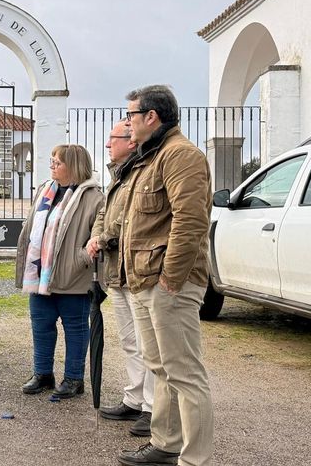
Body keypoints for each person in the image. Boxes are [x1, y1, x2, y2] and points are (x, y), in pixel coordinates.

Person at [117, 85, 213, 466]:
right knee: (161, 368)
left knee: (186, 373)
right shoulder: (151, 158)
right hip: (145, 281)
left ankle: (195, 459)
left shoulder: (181, 156)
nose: (128, 124)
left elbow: (190, 222)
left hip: (168, 284)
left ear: (151, 117)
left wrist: (170, 279)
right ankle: (166, 444)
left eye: (131, 116)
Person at [15, 144, 104, 399]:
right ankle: (42, 373)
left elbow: (97, 232)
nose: (52, 165)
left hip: (72, 275)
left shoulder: (93, 196)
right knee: (41, 324)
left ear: (74, 166)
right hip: (41, 273)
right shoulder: (46, 189)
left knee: (75, 327)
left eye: (58, 162)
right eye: (52, 160)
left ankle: (74, 378)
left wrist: (82, 257)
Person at [85, 120, 155, 436]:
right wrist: (97, 235)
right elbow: (105, 214)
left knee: (147, 343)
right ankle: (135, 398)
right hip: (118, 270)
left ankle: (154, 408)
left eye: (111, 138)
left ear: (129, 141)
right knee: (129, 340)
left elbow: (134, 219)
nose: (106, 145)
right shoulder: (118, 175)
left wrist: (103, 238)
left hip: (138, 270)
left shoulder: (144, 170)